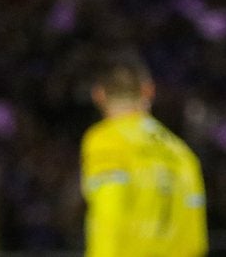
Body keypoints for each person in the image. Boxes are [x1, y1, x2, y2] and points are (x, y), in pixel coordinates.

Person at [80, 56, 208, 257]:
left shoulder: (105, 139)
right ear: (148, 90)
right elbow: (195, 238)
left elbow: (109, 212)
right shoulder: (182, 152)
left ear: (99, 95)